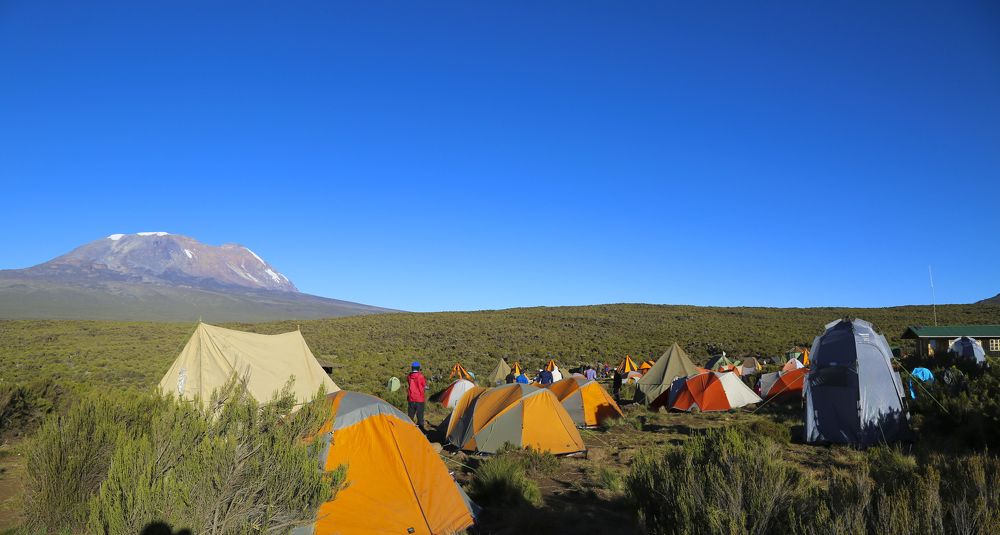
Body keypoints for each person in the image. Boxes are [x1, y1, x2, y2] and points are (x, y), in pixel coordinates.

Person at [406, 361, 427, 430]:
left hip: (411, 398)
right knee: (420, 416)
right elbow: (424, 385)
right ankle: (421, 431)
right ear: (418, 368)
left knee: (410, 416)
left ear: (412, 368)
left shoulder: (409, 376)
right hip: (419, 399)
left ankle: (409, 430)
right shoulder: (421, 376)